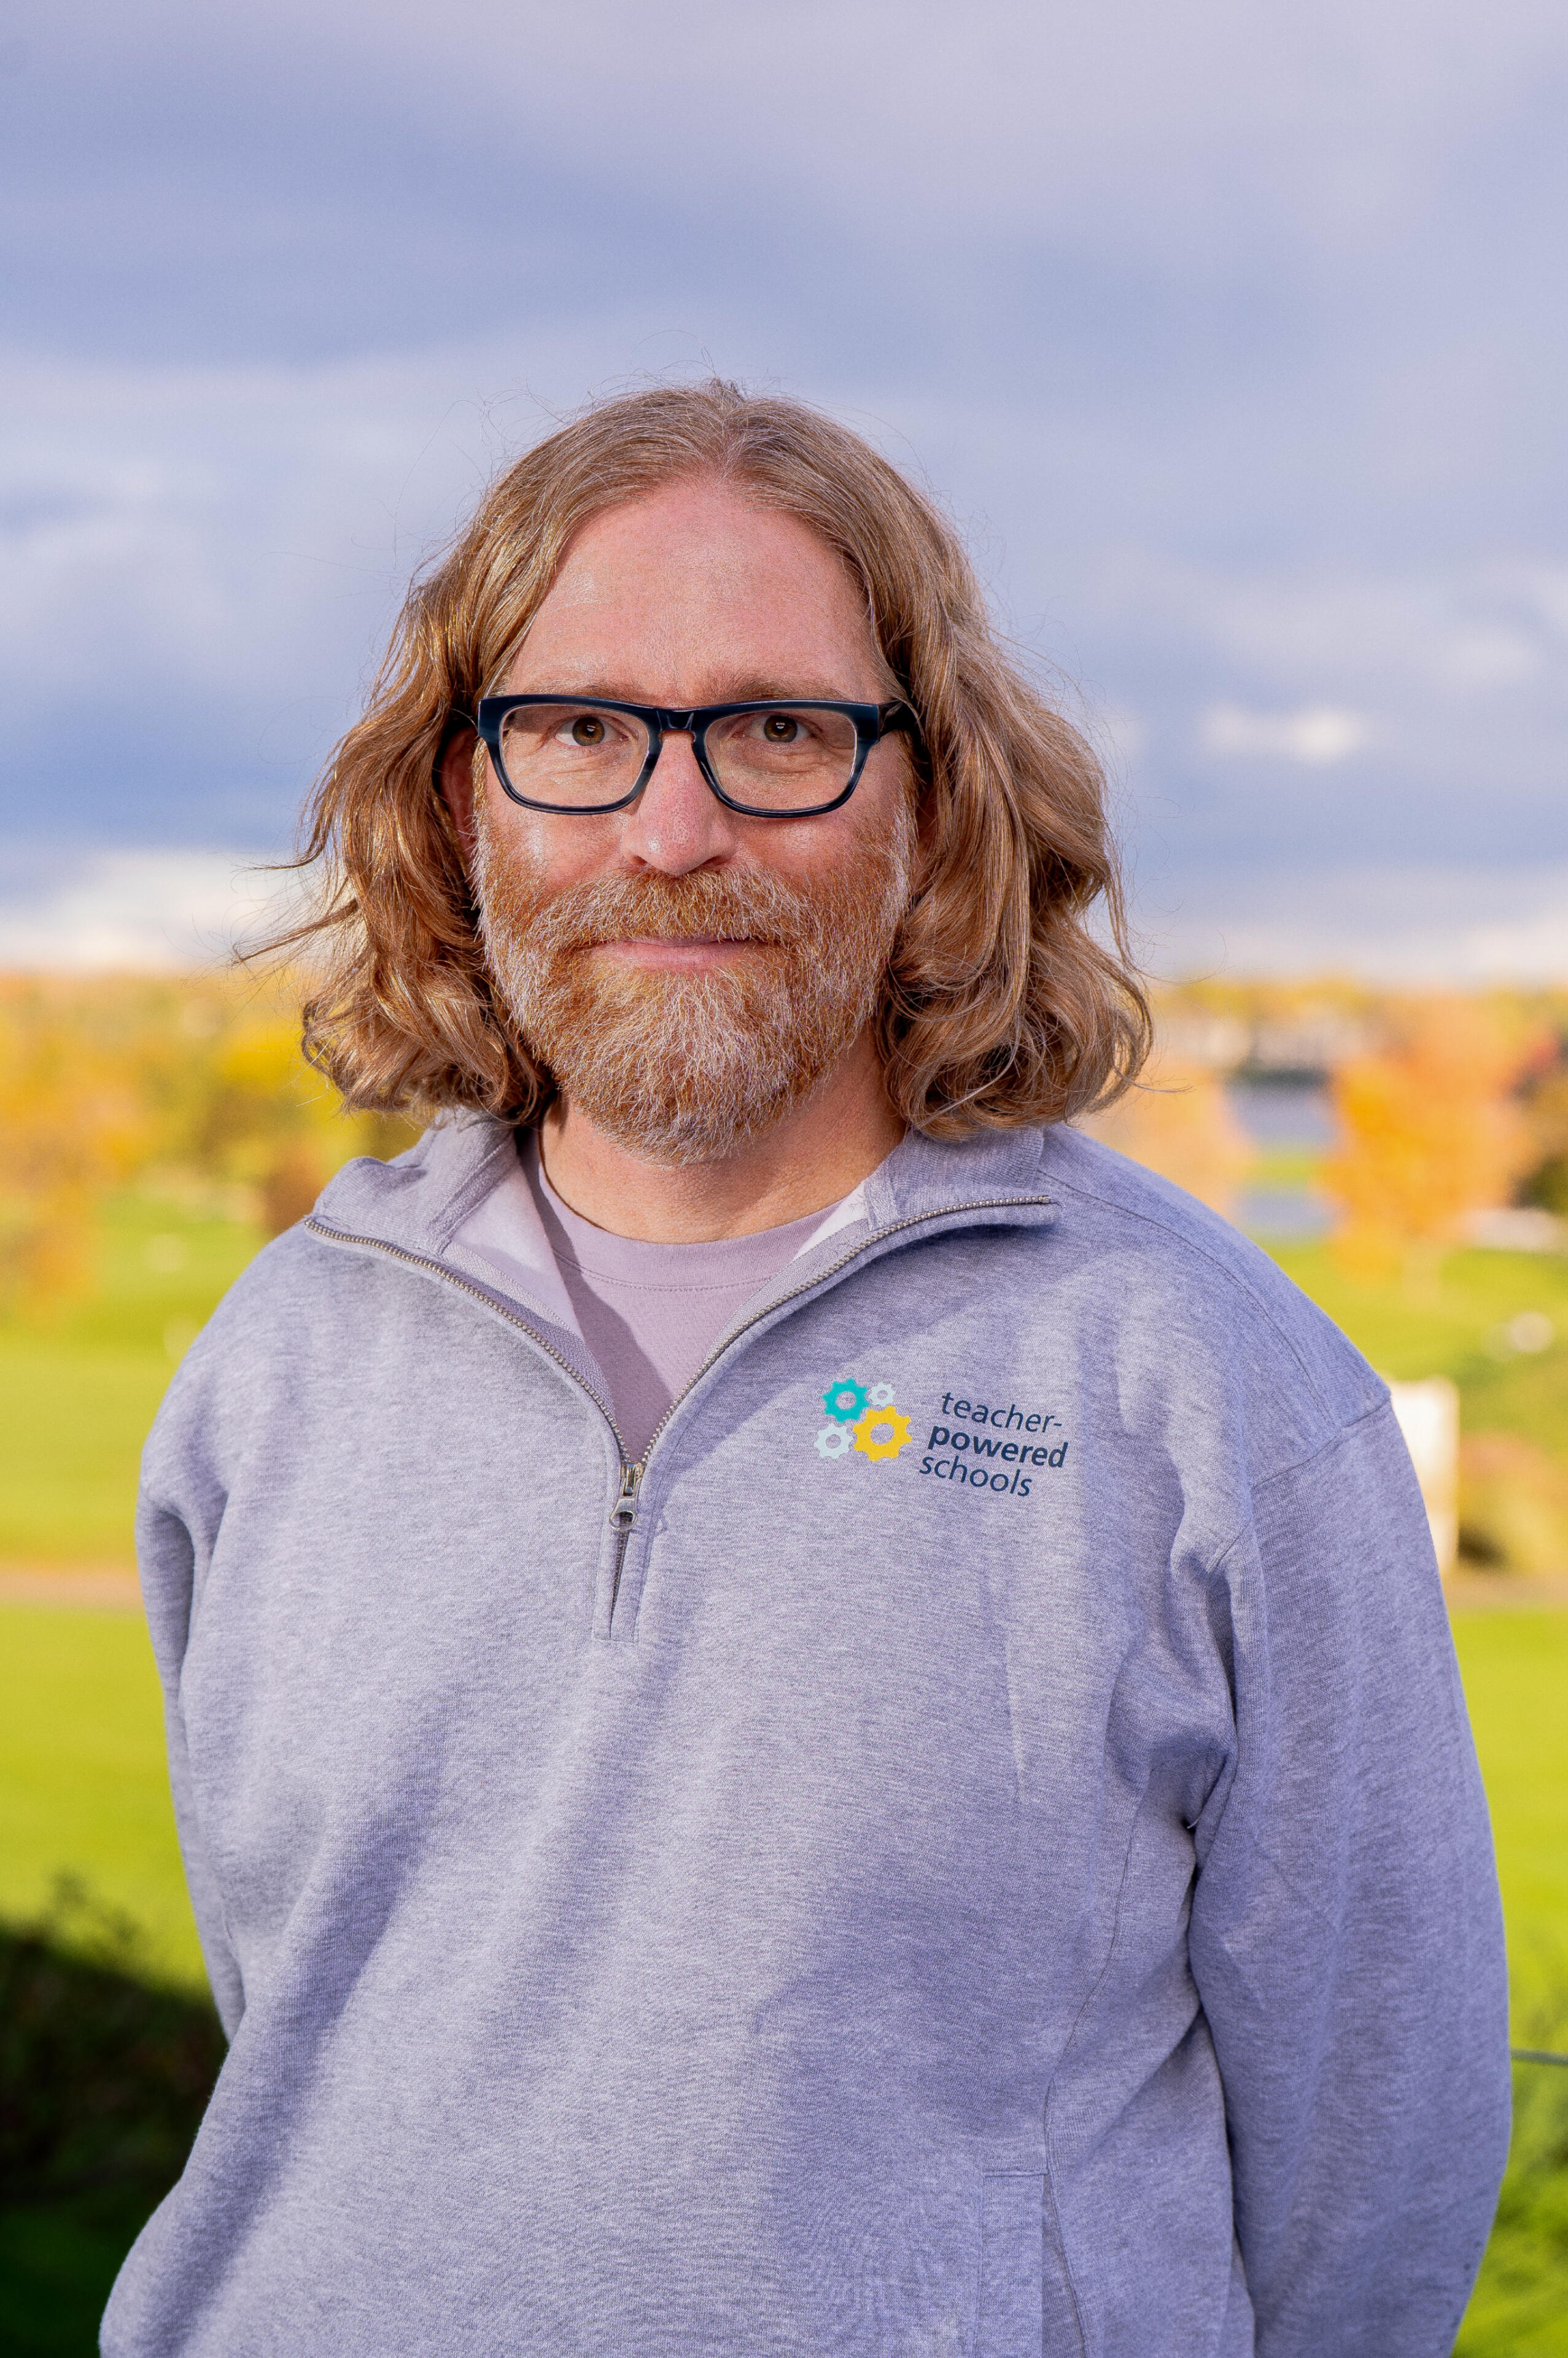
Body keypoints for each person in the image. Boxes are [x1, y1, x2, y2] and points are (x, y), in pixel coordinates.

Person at [105, 381, 1508, 2358]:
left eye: (778, 730)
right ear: (458, 796)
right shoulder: (289, 1358)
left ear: (929, 797)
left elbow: (1379, 2172)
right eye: (578, 730)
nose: (672, 832)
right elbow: (317, 2020)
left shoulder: (1204, 1390)